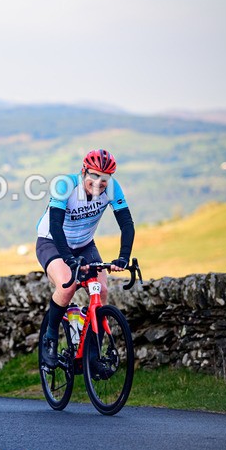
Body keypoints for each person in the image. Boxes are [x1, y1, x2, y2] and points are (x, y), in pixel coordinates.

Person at [35, 149, 134, 368]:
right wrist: (68, 258)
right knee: (66, 286)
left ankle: (92, 354)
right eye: (94, 175)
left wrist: (123, 257)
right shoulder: (65, 185)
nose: (99, 182)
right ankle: (50, 339)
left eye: (105, 178)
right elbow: (55, 226)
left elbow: (127, 224)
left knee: (102, 290)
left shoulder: (113, 189)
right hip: (52, 241)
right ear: (83, 171)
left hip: (85, 244)